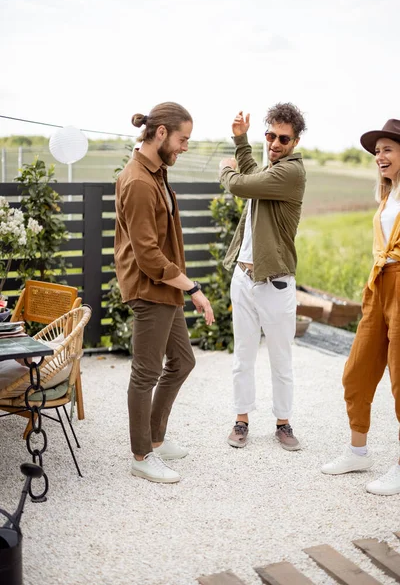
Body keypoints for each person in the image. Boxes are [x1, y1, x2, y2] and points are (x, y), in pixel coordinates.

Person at [114, 102, 215, 484]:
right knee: (146, 374)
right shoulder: (139, 181)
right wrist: (194, 288)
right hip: (150, 287)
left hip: (165, 287)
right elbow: (149, 257)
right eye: (182, 139)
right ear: (161, 134)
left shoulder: (155, 172)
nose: (185, 147)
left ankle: (155, 438)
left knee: (183, 361)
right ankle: (141, 454)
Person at [218, 103, 306, 451]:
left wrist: (227, 169)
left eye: (283, 138)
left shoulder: (291, 173)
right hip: (243, 278)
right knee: (243, 356)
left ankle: (283, 424)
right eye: (270, 135)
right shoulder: (271, 171)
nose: (275, 142)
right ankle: (241, 421)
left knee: (281, 360)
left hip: (276, 283)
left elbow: (241, 184)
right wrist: (242, 139)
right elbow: (254, 173)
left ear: (295, 141)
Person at [321, 119, 400, 495]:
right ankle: (358, 450)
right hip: (379, 285)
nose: (379, 157)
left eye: (387, 149)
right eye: (377, 151)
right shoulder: (387, 194)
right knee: (356, 372)